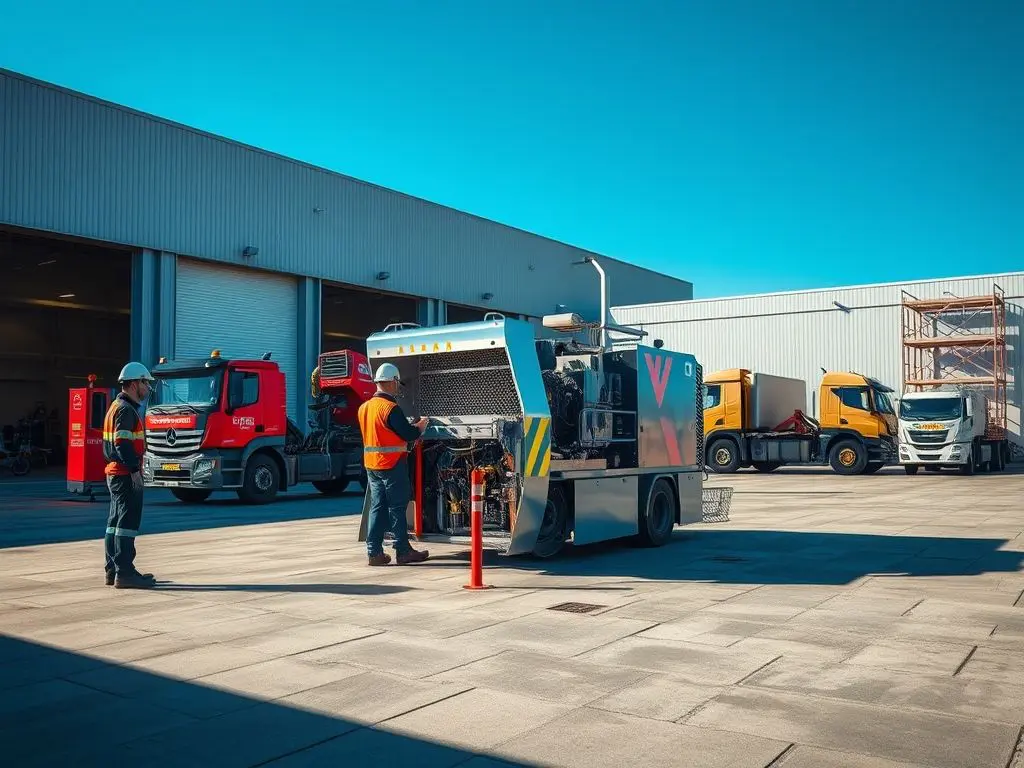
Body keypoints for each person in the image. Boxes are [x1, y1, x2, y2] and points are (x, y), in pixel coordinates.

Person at [357, 363, 430, 566]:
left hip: (372, 466)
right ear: (392, 382)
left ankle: (374, 553)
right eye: (397, 383)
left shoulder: (364, 407)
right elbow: (407, 434)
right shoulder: (390, 408)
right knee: (397, 507)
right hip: (392, 464)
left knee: (377, 507)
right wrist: (420, 427)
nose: (398, 387)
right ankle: (403, 550)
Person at [102, 361, 157, 588]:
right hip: (125, 474)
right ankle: (125, 573)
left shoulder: (116, 407)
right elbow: (122, 442)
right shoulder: (126, 410)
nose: (148, 388)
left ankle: (113, 570)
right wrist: (134, 470)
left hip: (115, 473)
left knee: (114, 523)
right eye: (146, 383)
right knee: (127, 523)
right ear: (135, 383)